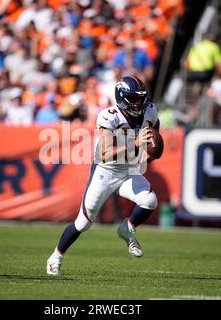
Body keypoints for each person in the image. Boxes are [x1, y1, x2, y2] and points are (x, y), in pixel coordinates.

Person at [46, 76, 160, 276]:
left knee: (150, 201)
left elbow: (153, 136)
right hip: (105, 172)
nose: (138, 103)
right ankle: (56, 256)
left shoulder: (150, 111)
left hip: (129, 170)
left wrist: (150, 152)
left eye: (140, 98)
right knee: (83, 223)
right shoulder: (109, 116)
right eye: (133, 98)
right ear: (122, 98)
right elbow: (105, 154)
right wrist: (135, 142)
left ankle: (128, 228)